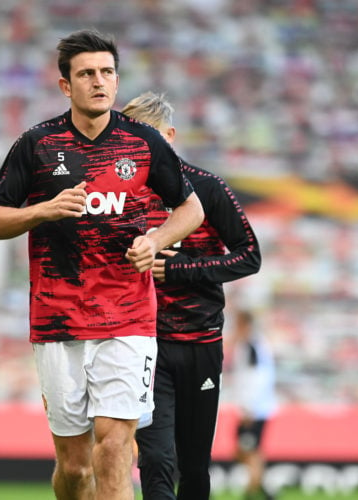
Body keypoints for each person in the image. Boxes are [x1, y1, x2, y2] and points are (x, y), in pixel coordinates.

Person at [0, 30, 204, 500]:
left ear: (117, 81)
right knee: (76, 467)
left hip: (128, 317)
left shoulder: (144, 142)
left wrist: (157, 238)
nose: (98, 82)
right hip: (58, 319)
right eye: (86, 74)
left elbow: (191, 209)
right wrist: (42, 210)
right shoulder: (36, 144)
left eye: (106, 72)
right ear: (66, 86)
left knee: (114, 445)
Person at [121, 91, 262, 499]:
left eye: (150, 138)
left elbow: (250, 256)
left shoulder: (208, 188)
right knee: (156, 459)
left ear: (171, 135)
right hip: (145, 343)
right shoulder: (122, 195)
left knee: (194, 467)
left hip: (201, 342)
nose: (142, 148)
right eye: (133, 138)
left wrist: (181, 269)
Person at [228, 309, 276, 500]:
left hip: (253, 409)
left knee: (249, 450)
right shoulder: (253, 344)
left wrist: (249, 407)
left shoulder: (251, 346)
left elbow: (258, 378)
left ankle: (252, 492)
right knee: (247, 451)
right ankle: (264, 488)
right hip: (255, 407)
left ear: (244, 325)